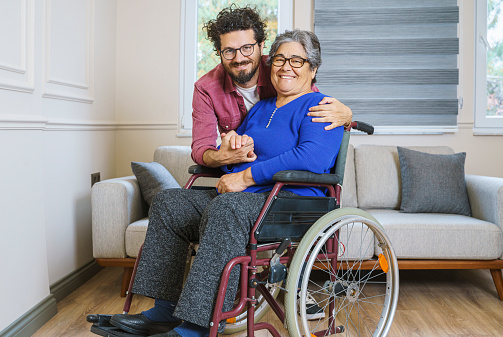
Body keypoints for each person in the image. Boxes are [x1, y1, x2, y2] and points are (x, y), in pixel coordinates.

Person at [109, 29, 343, 337]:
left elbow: (312, 158)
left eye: (297, 60)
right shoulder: (262, 108)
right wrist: (232, 149)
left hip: (293, 203)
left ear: (312, 69)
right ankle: (163, 312)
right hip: (251, 200)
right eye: (280, 59)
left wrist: (246, 176)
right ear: (269, 65)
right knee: (170, 202)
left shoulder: (321, 106)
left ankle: (197, 327)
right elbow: (237, 156)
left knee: (228, 209)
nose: (287, 66)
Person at [191, 5, 352, 169]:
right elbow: (201, 148)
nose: (239, 58)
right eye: (229, 51)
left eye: (247, 48)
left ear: (261, 46)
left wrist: (347, 114)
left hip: (275, 185)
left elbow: (307, 100)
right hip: (242, 179)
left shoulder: (282, 73)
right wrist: (222, 157)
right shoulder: (207, 88)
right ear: (219, 52)